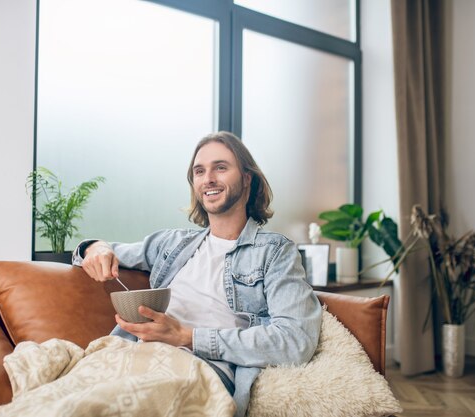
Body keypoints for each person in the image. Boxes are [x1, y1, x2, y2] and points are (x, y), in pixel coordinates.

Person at [72, 131, 322, 417]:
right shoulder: (173, 243)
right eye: (199, 171)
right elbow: (96, 251)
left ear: (247, 179)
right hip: (131, 354)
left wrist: (187, 336)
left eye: (221, 167)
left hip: (201, 368)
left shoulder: (275, 252)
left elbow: (295, 341)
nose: (208, 178)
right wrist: (95, 248)